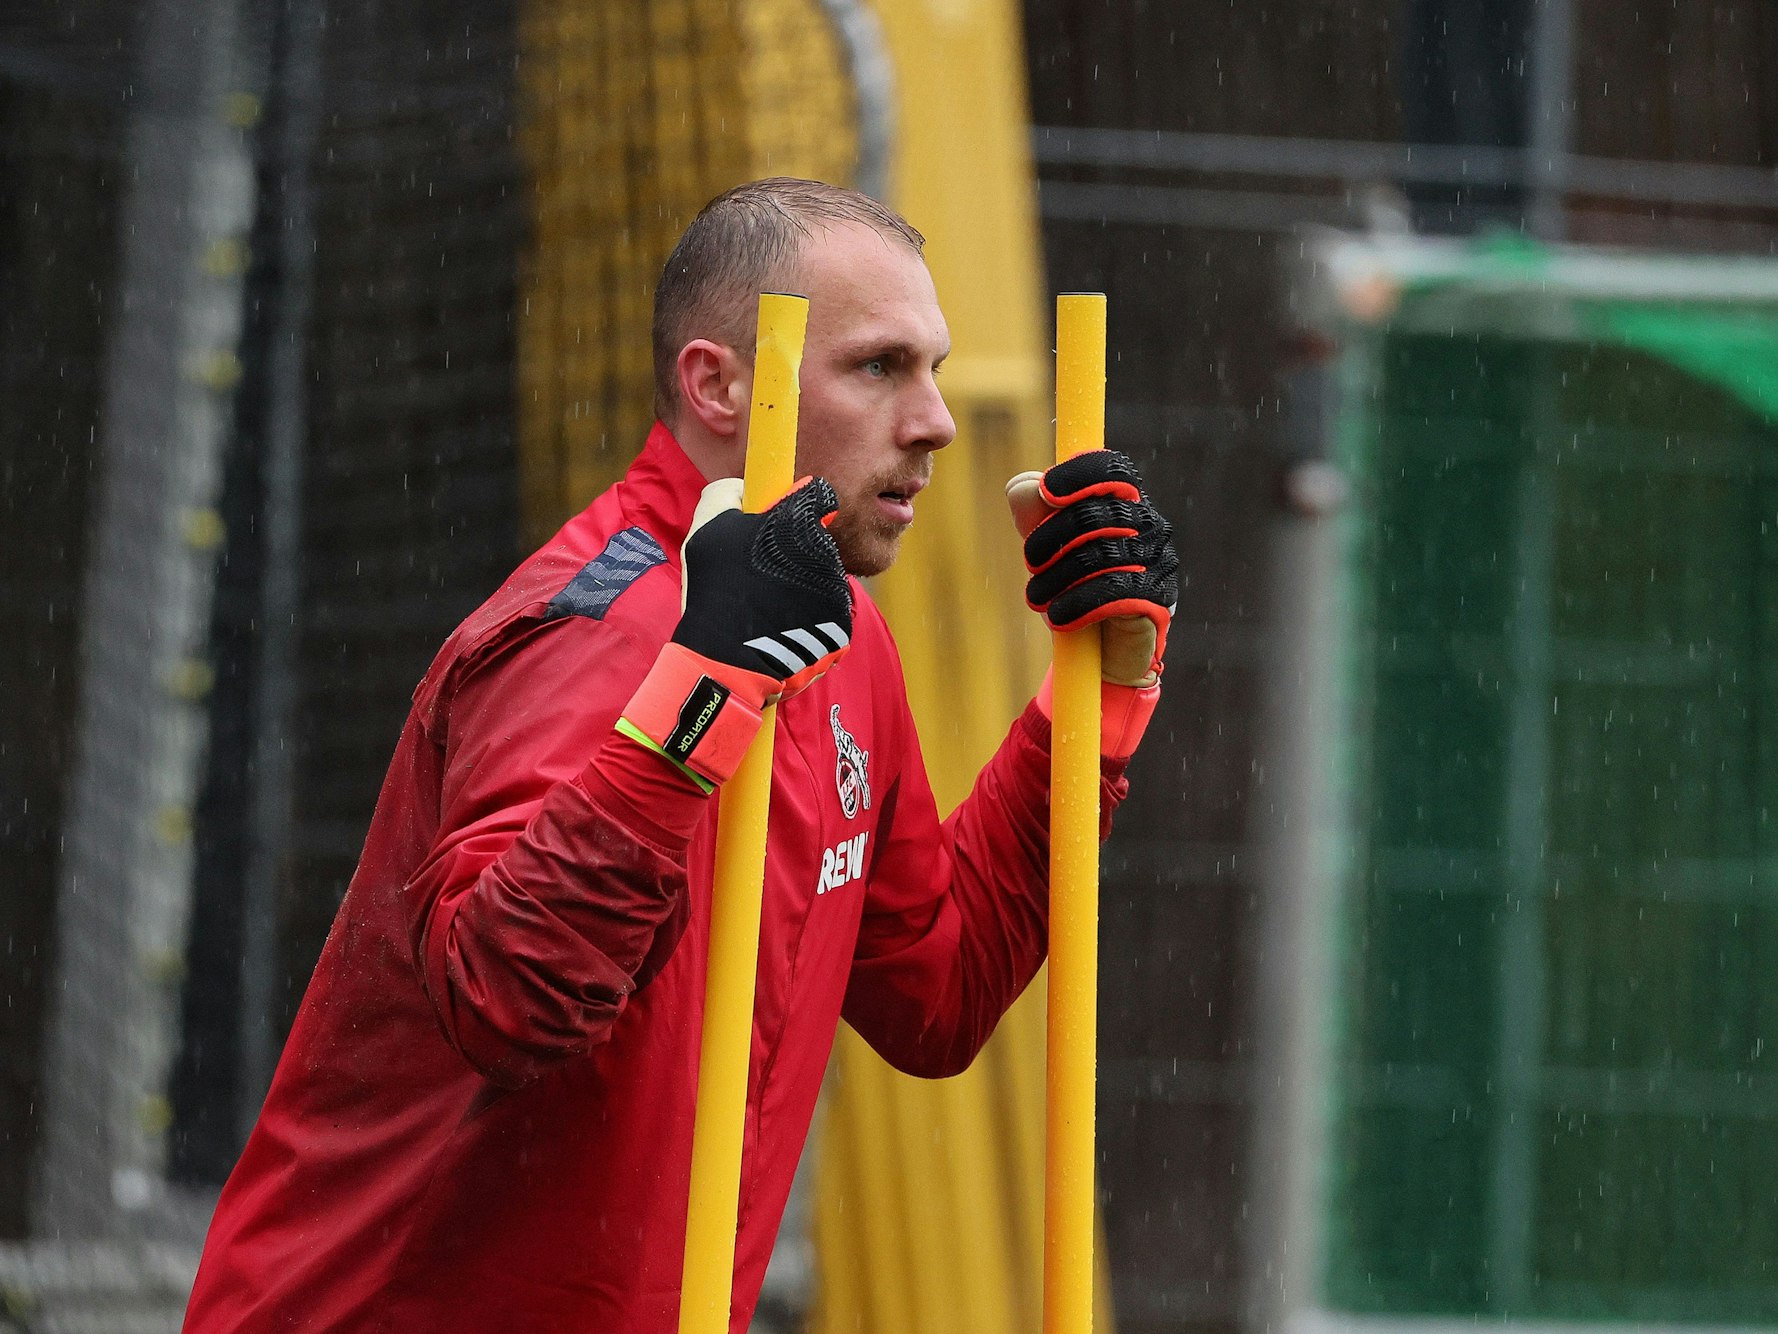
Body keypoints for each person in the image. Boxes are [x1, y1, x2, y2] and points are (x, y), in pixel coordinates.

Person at [183, 178, 1178, 1333]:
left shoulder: (843, 641)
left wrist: (1085, 711)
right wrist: (703, 690)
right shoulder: (596, 630)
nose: (934, 421)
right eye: (877, 367)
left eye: (934, 368)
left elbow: (936, 993)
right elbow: (507, 996)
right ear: (717, 385)